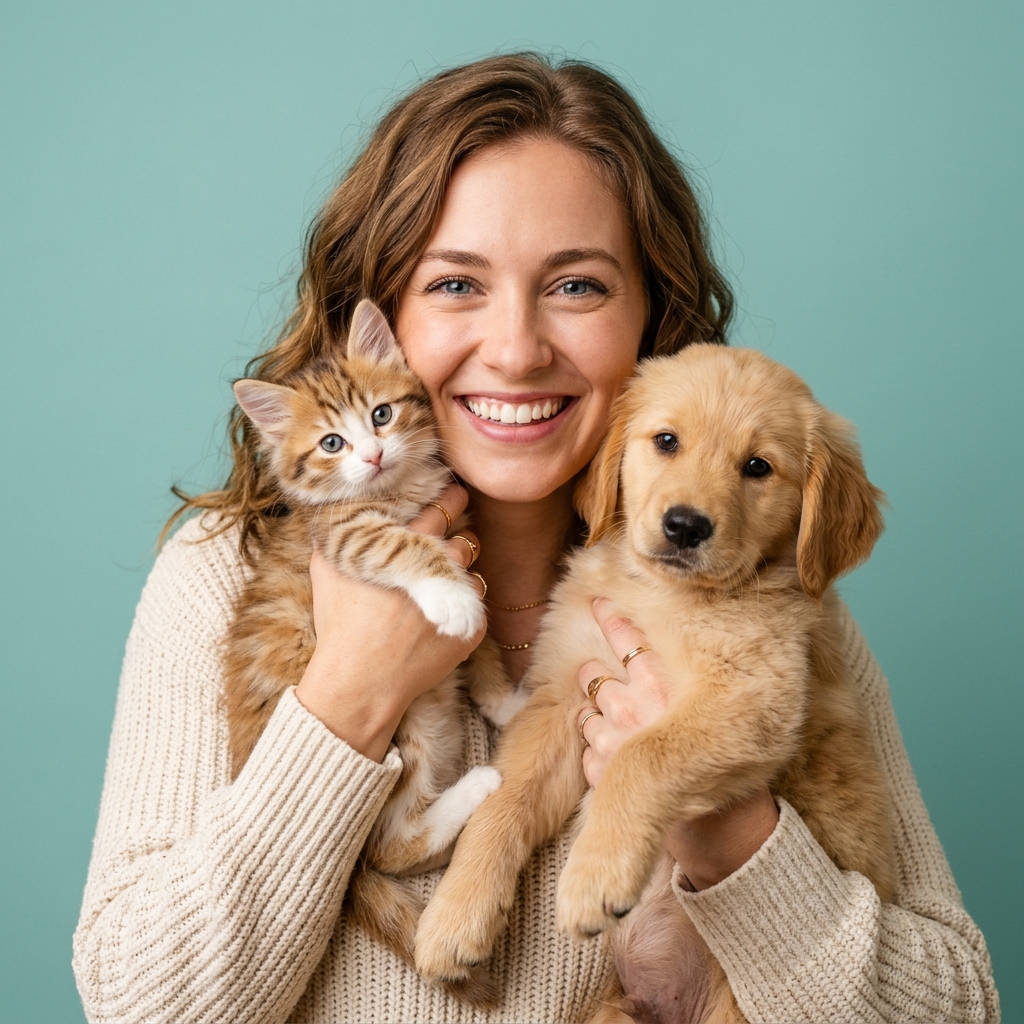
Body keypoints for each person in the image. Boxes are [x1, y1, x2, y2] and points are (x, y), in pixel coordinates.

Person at [72, 54, 999, 1023]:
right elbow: (144, 1005)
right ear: (377, 323)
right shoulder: (218, 578)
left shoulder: (763, 586)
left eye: (577, 287)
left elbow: (956, 1006)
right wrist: (344, 699)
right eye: (456, 286)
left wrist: (727, 832)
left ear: (652, 322)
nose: (515, 350)